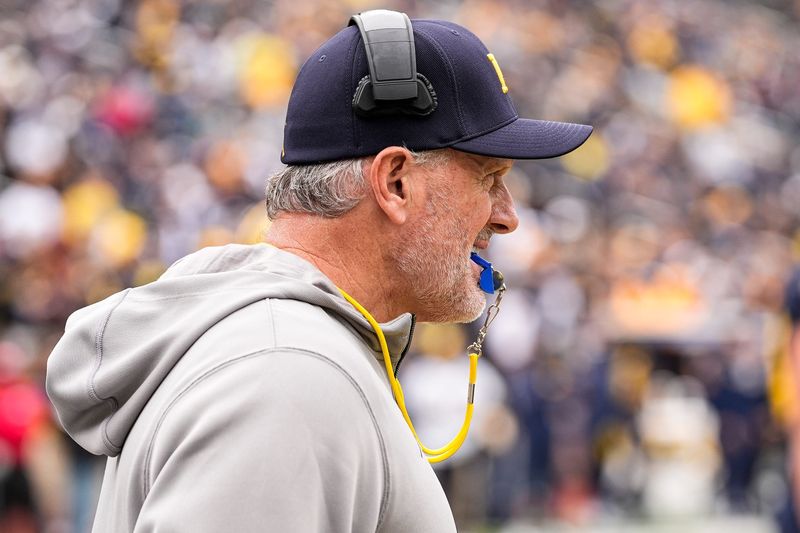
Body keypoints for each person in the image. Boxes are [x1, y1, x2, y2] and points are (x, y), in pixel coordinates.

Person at [45, 9, 591, 532]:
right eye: (489, 178)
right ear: (395, 181)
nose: (508, 215)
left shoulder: (282, 347)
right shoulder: (284, 372)